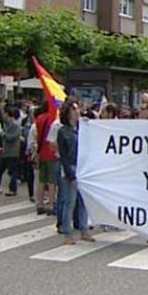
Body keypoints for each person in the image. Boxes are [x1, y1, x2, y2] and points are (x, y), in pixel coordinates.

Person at [57, 99, 94, 245]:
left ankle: (84, 230)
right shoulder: (63, 131)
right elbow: (64, 155)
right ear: (68, 113)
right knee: (69, 202)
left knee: (83, 201)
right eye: (74, 109)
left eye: (78, 109)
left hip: (83, 167)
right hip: (71, 167)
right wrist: (69, 174)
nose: (77, 111)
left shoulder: (82, 128)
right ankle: (67, 232)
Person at [34, 103, 59, 215]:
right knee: (52, 180)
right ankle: (51, 204)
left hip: (41, 152)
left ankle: (39, 203)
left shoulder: (39, 118)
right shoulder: (53, 119)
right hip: (51, 152)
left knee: (42, 179)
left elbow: (37, 136)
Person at [0, 107, 22, 197]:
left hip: (12, 152)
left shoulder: (16, 125)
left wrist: (2, 134)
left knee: (12, 172)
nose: (3, 116)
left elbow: (11, 137)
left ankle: (13, 189)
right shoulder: (6, 124)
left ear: (8, 114)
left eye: (4, 114)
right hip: (5, 151)